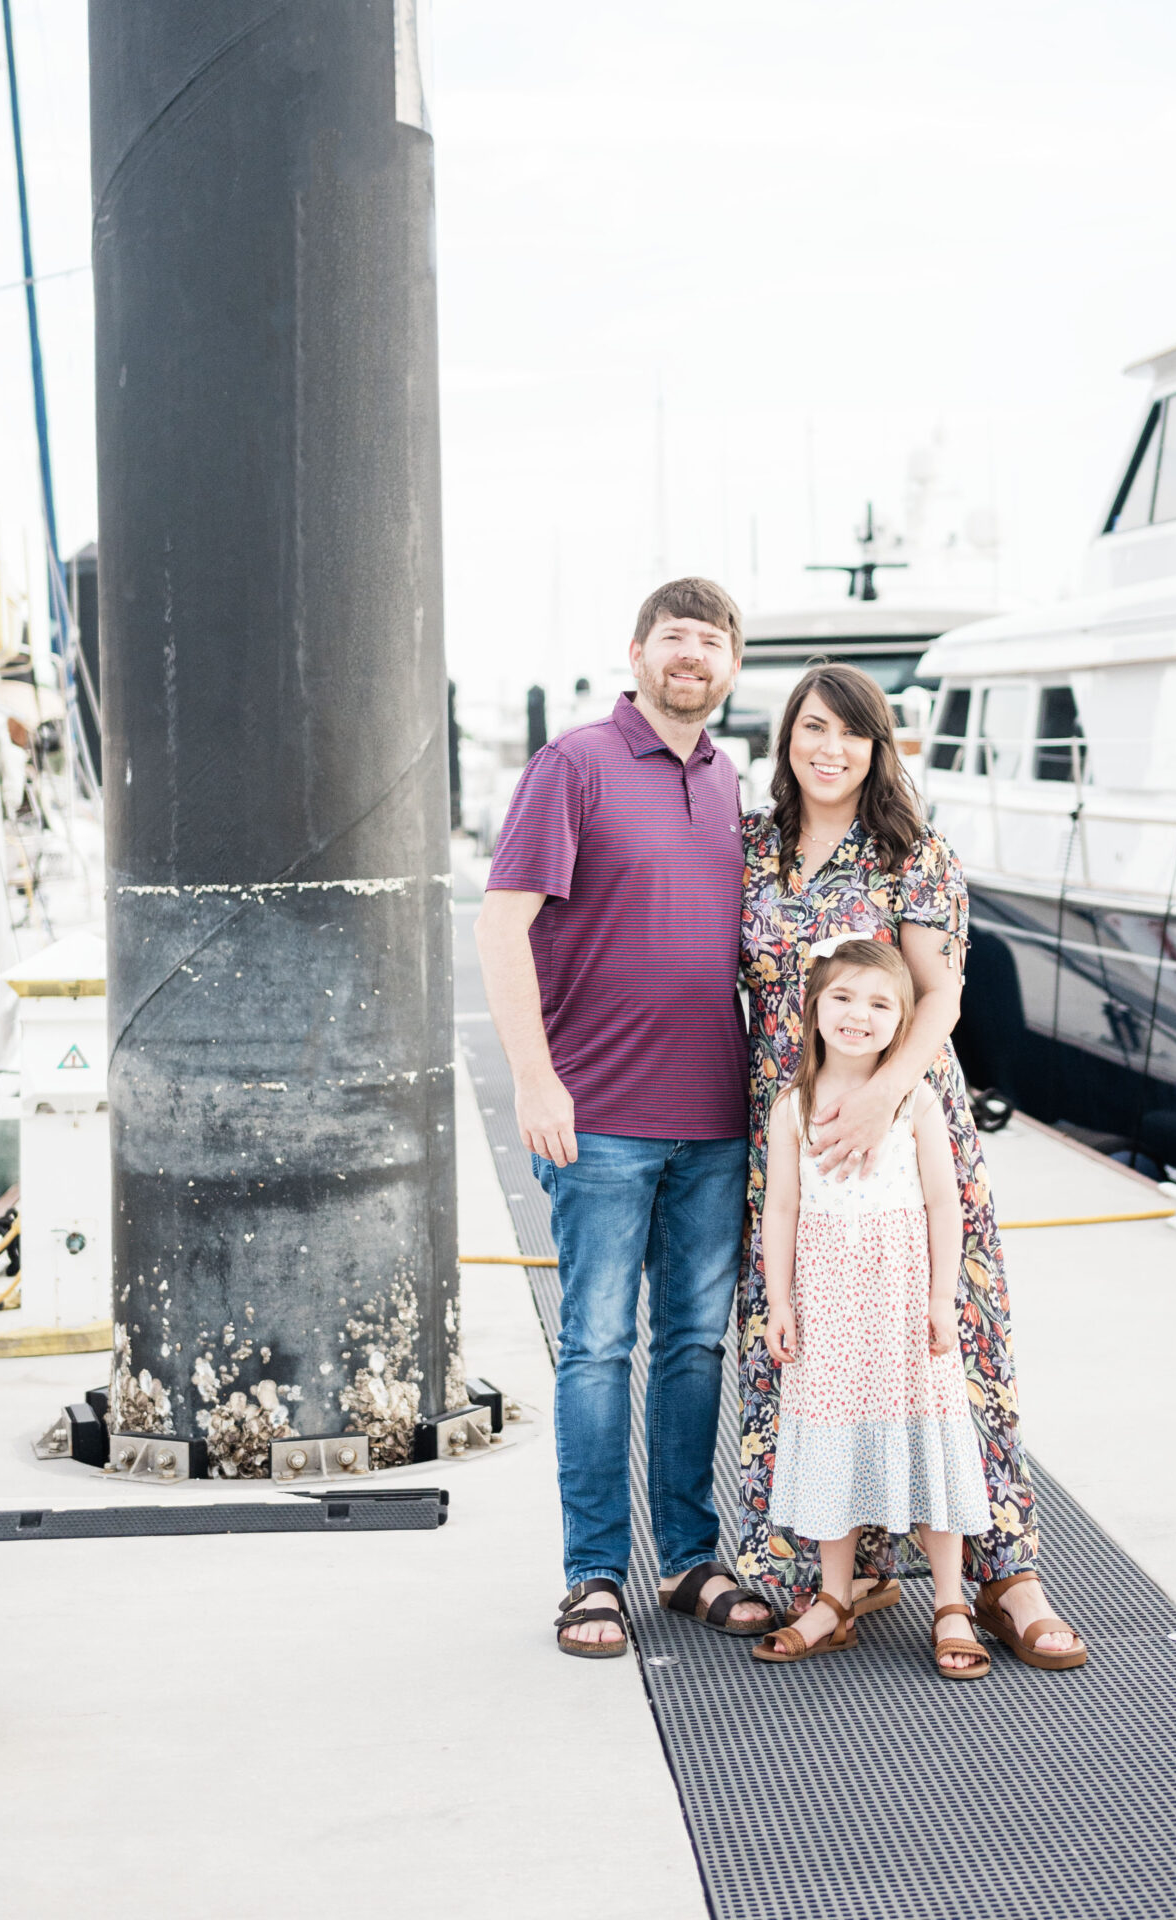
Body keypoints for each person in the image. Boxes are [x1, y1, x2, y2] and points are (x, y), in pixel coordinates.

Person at [736, 660, 1086, 1670]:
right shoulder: (754, 850)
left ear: (877, 746)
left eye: (851, 732)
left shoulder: (910, 853)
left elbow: (939, 996)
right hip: (795, 1132)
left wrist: (887, 1093)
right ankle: (836, 1574)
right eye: (812, 727)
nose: (829, 748)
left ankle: (1003, 1573)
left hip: (905, 1124)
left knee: (950, 1351)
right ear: (787, 738)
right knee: (807, 1353)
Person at [477, 578, 773, 1656]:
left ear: (731, 667)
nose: (692, 655)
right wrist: (534, 1077)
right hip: (596, 1114)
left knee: (695, 1344)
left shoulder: (728, 777)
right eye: (674, 637)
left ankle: (690, 1559)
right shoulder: (575, 766)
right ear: (637, 652)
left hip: (714, 1115)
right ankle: (595, 1573)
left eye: (712, 641)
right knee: (597, 1345)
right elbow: (502, 928)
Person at [754, 938, 995, 1678]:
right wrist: (779, 1299)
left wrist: (939, 1297)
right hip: (827, 1298)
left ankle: (950, 1600)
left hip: (898, 1298)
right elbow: (783, 1208)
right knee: (830, 1432)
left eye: (880, 1003)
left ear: (903, 1021)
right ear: (815, 1009)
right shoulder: (791, 1107)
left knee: (929, 1432)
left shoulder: (915, 1101)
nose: (859, 1015)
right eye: (844, 998)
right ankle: (833, 1596)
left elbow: (942, 1204)